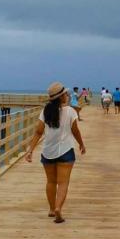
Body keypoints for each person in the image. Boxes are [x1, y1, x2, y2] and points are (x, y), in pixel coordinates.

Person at [25, 82, 86, 223]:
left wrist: (30, 150)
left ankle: (52, 209)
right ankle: (59, 207)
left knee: (51, 181)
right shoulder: (70, 111)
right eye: (65, 93)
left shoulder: (45, 111)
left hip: (48, 152)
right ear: (61, 97)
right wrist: (81, 144)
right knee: (63, 182)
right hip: (66, 151)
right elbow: (75, 131)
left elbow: (38, 132)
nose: (67, 95)